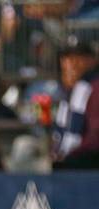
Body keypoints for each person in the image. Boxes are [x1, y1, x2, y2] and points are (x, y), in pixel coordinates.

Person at [52, 41, 99, 169]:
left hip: (87, 163)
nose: (71, 63)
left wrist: (68, 155)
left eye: (79, 58)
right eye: (66, 58)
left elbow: (95, 138)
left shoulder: (95, 88)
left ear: (92, 61)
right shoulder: (67, 91)